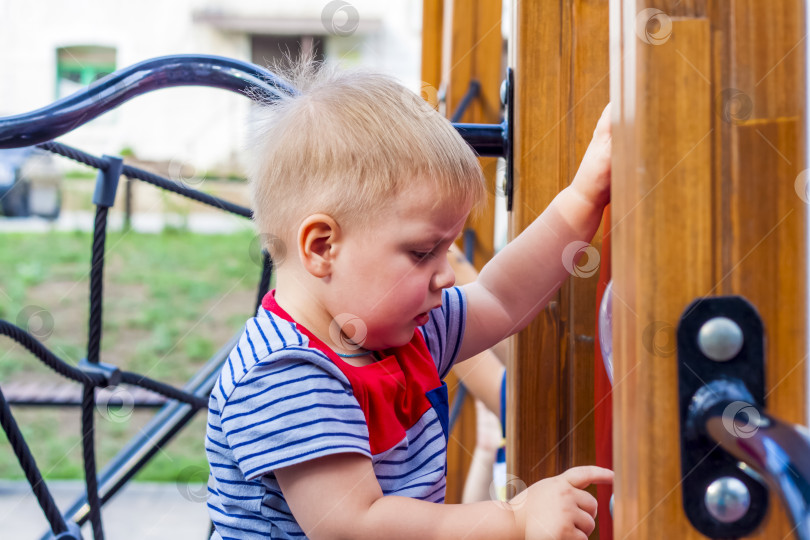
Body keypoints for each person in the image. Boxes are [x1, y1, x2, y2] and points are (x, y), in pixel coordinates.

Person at [205, 58, 613, 540]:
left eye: (447, 249)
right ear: (322, 247)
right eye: (423, 252)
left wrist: (585, 197)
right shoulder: (284, 373)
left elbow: (502, 296)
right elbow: (355, 524)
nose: (445, 274)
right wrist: (516, 519)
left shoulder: (401, 330)